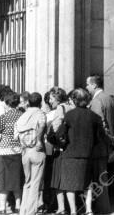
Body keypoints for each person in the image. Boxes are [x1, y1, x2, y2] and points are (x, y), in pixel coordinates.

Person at [55, 88, 106, 215]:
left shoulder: (69, 115)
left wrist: (62, 143)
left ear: (74, 100)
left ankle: (73, 211)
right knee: (87, 183)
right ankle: (88, 210)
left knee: (70, 185)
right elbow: (100, 137)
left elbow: (60, 134)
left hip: (70, 154)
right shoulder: (94, 117)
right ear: (87, 100)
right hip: (87, 154)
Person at [85, 74, 114, 214]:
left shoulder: (96, 100)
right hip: (106, 144)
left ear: (94, 85)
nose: (86, 87)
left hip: (98, 145)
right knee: (102, 176)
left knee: (98, 177)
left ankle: (102, 208)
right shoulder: (108, 97)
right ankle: (104, 207)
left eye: (88, 84)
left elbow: (99, 124)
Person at [15, 91, 46, 215]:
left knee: (27, 182)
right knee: (35, 183)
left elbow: (16, 135)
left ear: (28, 102)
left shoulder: (22, 115)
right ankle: (31, 211)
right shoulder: (40, 113)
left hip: (25, 151)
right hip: (37, 150)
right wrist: (39, 140)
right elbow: (42, 125)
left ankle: (24, 210)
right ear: (41, 102)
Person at [0, 91, 23, 214]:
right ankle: (18, 206)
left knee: (2, 180)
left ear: (7, 103)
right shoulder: (21, 115)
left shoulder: (4, 117)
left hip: (3, 151)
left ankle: (2, 208)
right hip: (18, 151)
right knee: (16, 179)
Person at [47, 87, 74, 215]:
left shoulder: (60, 108)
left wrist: (53, 139)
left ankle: (61, 208)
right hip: (71, 148)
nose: (49, 101)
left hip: (60, 148)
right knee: (68, 179)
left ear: (57, 99)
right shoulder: (71, 107)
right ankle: (70, 207)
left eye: (51, 98)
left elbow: (56, 127)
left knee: (57, 179)